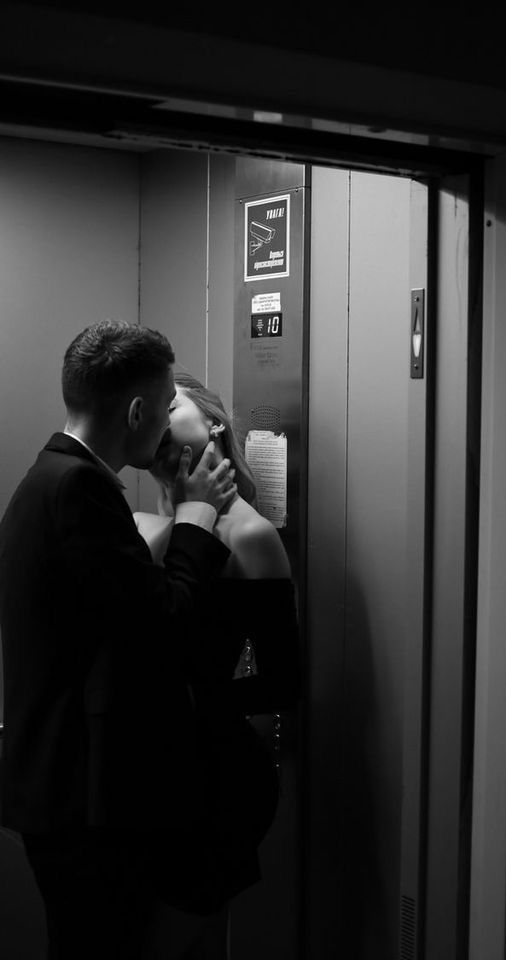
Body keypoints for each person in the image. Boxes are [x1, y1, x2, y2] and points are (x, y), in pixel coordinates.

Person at [0, 320, 239, 960]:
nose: (165, 424)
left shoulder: (47, 476)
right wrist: (197, 516)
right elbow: (163, 623)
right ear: (137, 411)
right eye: (164, 408)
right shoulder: (81, 489)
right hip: (82, 804)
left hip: (54, 788)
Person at [133, 372, 300, 957]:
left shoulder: (250, 535)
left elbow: (285, 679)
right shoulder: (139, 528)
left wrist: (195, 700)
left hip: (212, 782)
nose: (154, 415)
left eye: (169, 404)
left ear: (213, 426)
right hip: (148, 775)